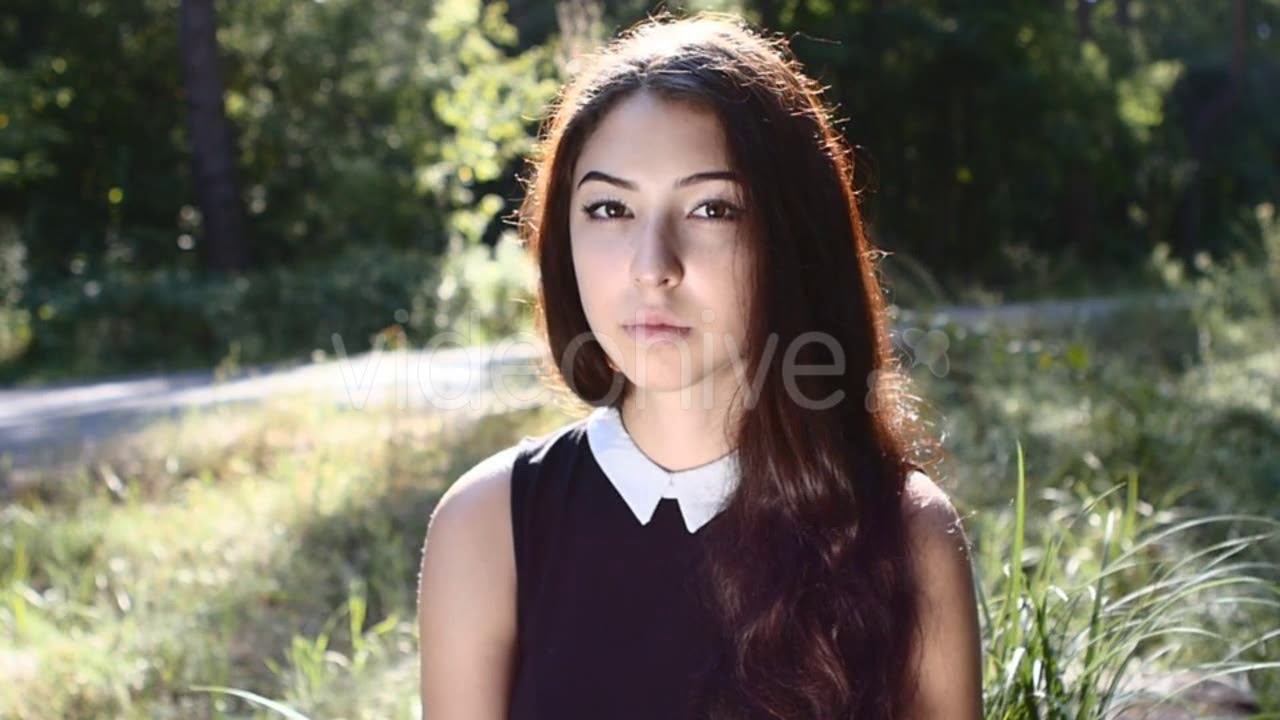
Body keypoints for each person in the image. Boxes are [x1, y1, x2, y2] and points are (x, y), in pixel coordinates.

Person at [418, 11, 982, 720]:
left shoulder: (907, 534)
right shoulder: (485, 527)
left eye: (713, 208)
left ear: (792, 237)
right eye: (609, 209)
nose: (652, 266)